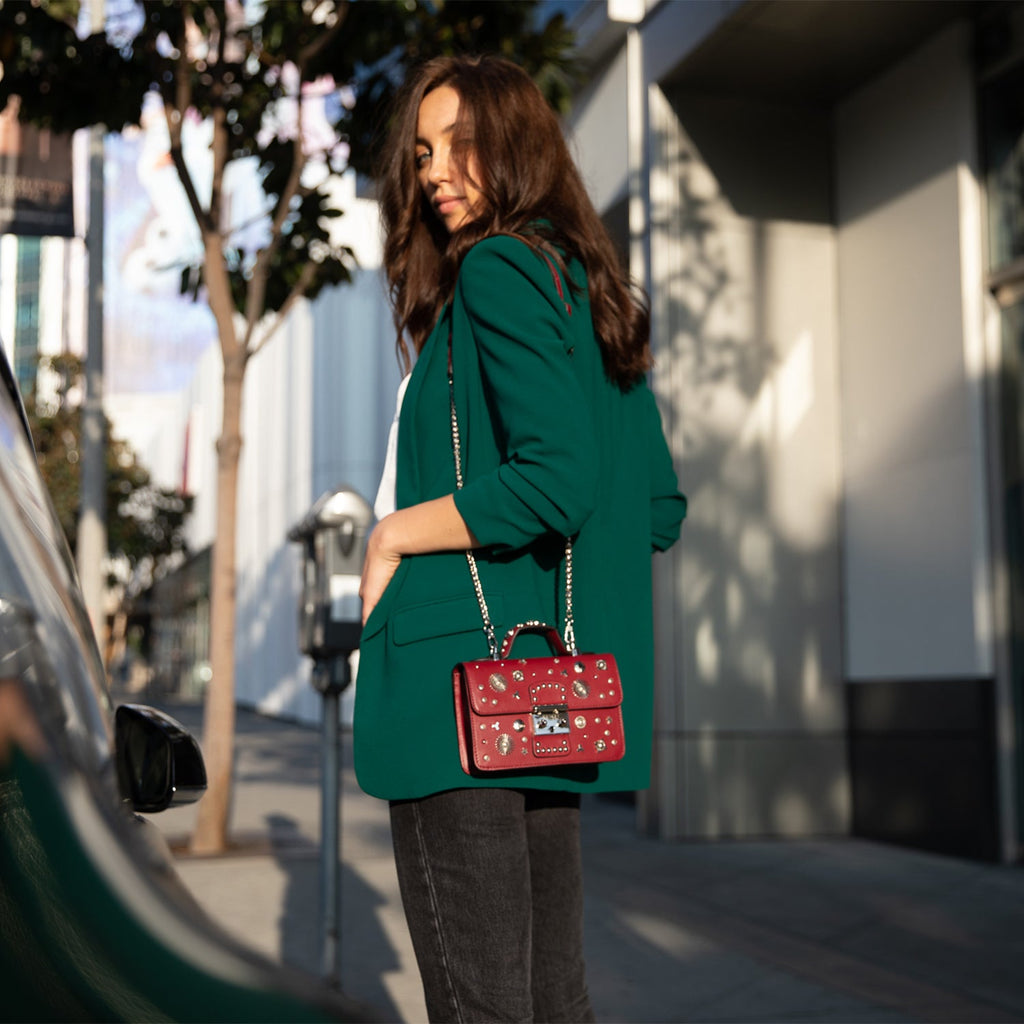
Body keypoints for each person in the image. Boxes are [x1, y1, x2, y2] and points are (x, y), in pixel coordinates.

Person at [356, 54, 686, 1024]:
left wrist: (390, 537)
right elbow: (653, 505)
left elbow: (556, 478)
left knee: (482, 1006)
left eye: (460, 143)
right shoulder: (587, 284)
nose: (434, 171)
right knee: (549, 1001)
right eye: (421, 151)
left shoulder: (497, 268)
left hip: (457, 695)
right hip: (541, 705)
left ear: (516, 145)